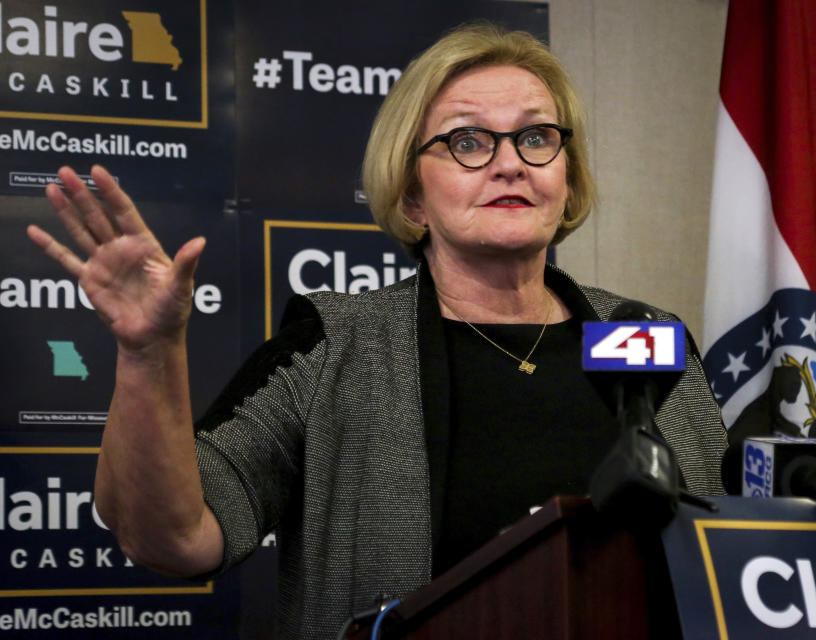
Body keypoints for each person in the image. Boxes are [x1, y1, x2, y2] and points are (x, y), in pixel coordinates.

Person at [26, 24, 727, 640]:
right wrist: (149, 353)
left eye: (537, 137)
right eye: (468, 141)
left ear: (566, 181)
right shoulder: (336, 343)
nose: (510, 161)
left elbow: (731, 549)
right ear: (414, 194)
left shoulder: (647, 337)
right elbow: (173, 537)